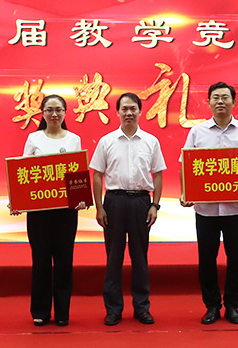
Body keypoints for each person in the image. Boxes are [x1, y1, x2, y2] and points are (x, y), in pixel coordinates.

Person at [180, 82, 238, 325]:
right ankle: (212, 306)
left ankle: (233, 306)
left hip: (237, 208)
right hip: (206, 209)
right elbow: (187, 165)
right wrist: (186, 192)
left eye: (225, 97)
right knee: (207, 259)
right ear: (208, 102)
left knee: (236, 258)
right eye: (215, 97)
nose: (220, 101)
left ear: (233, 102)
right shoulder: (197, 132)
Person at [90, 92, 166, 326]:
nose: (129, 113)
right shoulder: (107, 141)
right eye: (124, 109)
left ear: (140, 111)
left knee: (140, 257)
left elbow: (158, 174)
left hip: (141, 202)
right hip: (114, 202)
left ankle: (142, 308)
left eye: (133, 108)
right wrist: (99, 207)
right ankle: (113, 309)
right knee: (113, 258)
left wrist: (155, 205)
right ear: (118, 112)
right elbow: (97, 175)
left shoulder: (151, 141)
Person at [10, 95, 86, 327]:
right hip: (39, 212)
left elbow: (77, 173)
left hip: (65, 212)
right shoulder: (33, 138)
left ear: (65, 112)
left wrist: (81, 198)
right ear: (42, 113)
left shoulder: (74, 139)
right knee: (40, 260)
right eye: (49, 110)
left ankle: (62, 311)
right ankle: (41, 311)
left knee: (64, 260)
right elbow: (23, 173)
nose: (54, 114)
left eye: (59, 110)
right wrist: (18, 201)